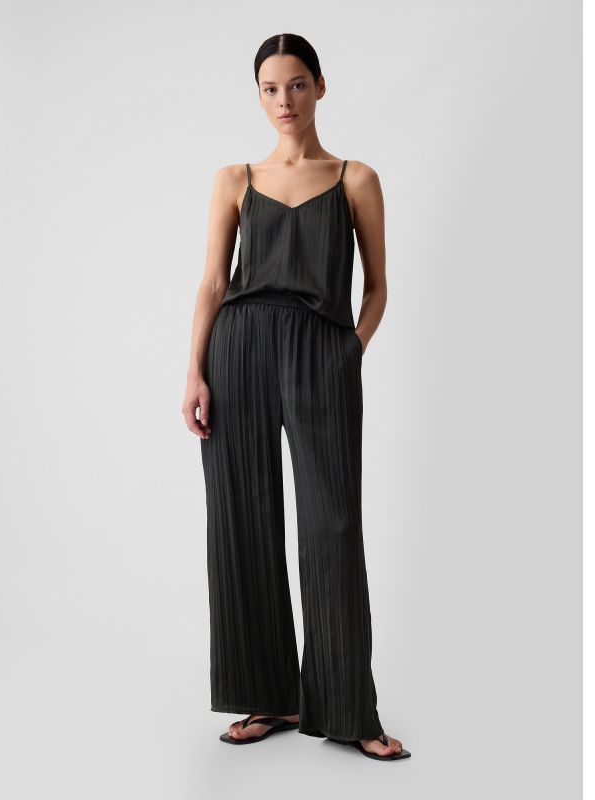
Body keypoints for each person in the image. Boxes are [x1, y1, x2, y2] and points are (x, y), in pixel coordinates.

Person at [182, 32, 410, 762]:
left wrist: (348, 350)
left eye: (297, 85)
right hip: (239, 351)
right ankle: (269, 695)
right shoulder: (234, 178)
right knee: (242, 521)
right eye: (270, 89)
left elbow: (377, 286)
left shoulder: (355, 178)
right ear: (259, 97)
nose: (285, 100)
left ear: (320, 87)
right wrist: (195, 371)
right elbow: (213, 282)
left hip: (321, 353)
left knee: (331, 526)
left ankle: (349, 709)